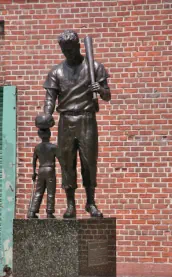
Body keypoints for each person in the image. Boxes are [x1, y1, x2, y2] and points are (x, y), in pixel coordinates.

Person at [43, 30, 111, 218]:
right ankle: (70, 204)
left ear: (79, 47)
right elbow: (50, 98)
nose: (68, 54)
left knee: (89, 161)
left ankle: (90, 202)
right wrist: (47, 115)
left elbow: (107, 95)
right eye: (65, 51)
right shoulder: (56, 72)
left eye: (71, 50)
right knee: (67, 162)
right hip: (66, 120)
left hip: (86, 118)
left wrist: (101, 90)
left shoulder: (94, 68)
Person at [28, 128, 57, 219]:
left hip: (41, 170)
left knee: (38, 191)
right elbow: (61, 159)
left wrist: (34, 172)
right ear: (49, 135)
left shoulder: (37, 147)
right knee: (50, 191)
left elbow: (33, 160)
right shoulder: (53, 147)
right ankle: (49, 212)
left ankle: (32, 211)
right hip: (50, 169)